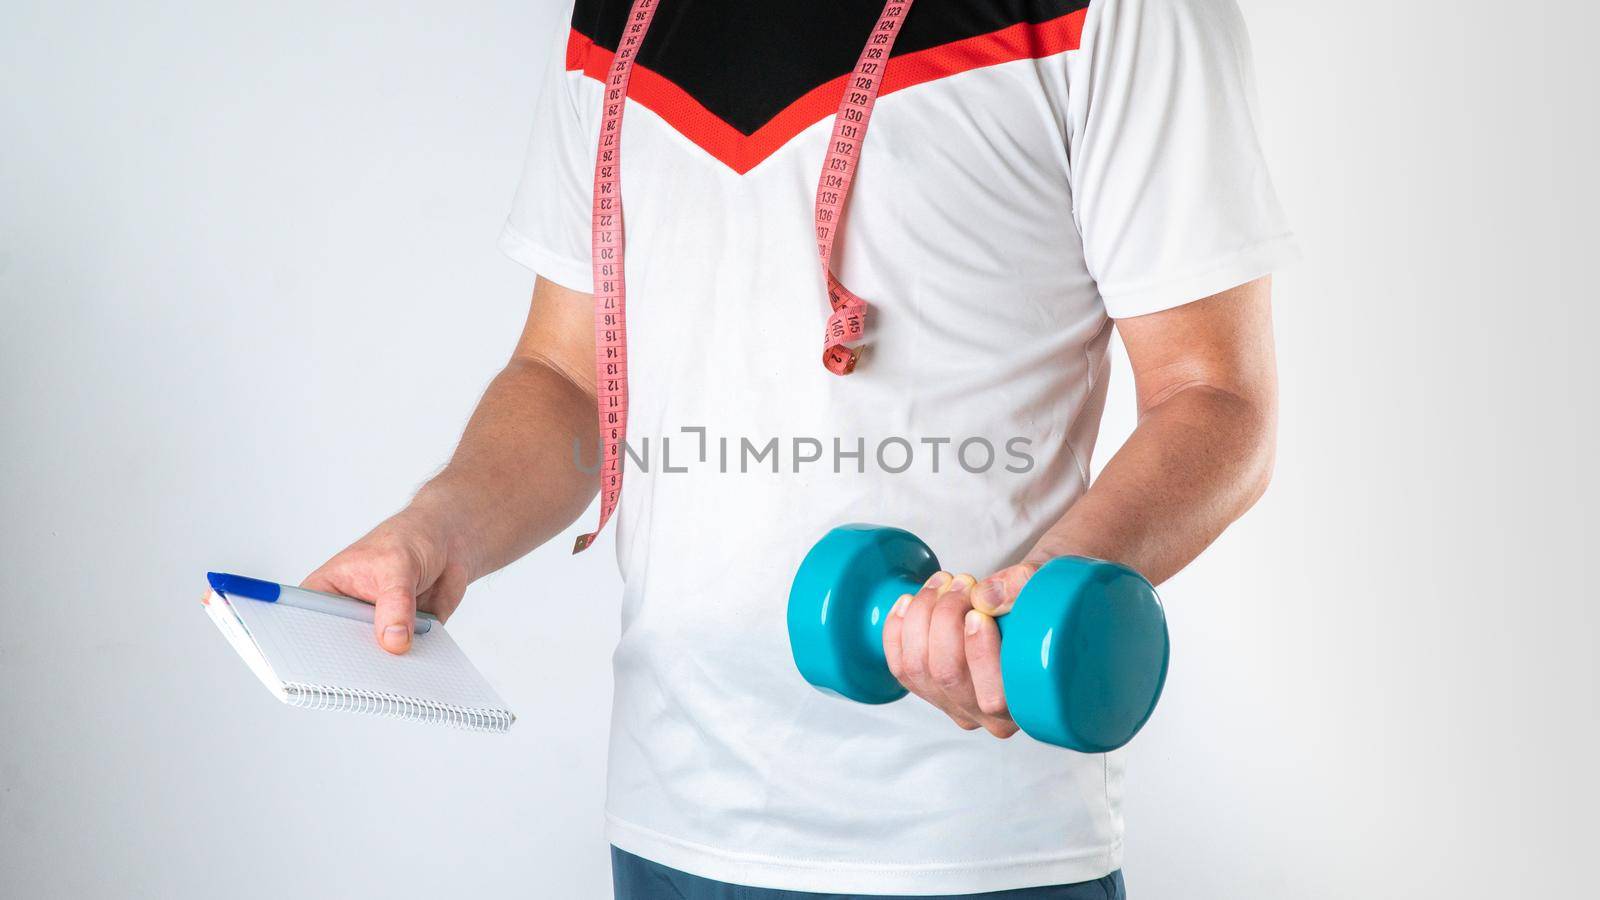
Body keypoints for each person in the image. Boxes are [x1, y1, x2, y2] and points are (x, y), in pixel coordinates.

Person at [304, 0, 1296, 896]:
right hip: (670, 814)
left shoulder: (1115, 10)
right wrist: (440, 529)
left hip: (966, 840)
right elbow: (568, 379)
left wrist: (1036, 589)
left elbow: (1214, 398)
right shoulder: (620, 15)